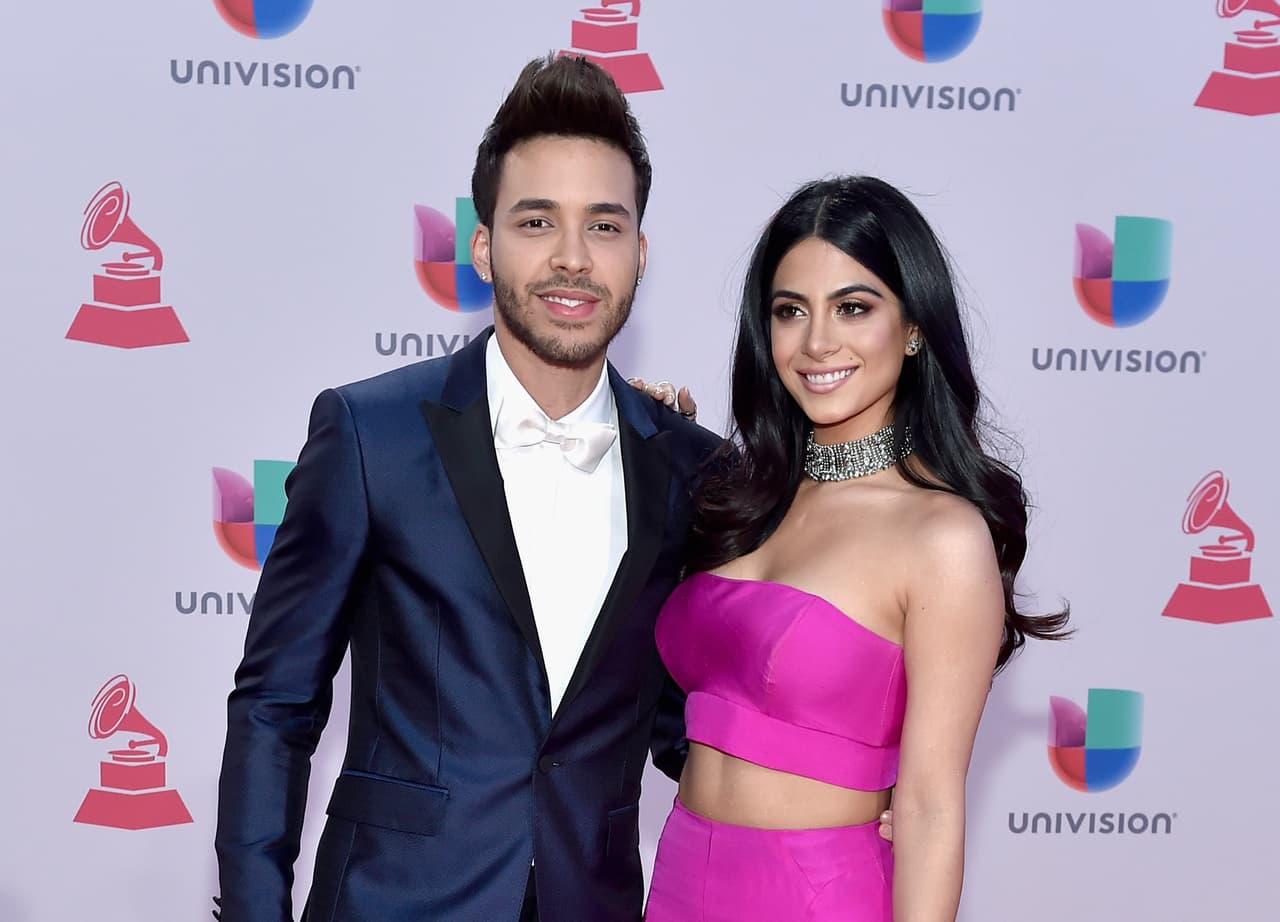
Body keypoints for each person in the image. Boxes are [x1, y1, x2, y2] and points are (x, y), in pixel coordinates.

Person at [212, 54, 723, 922]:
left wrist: (853, 792)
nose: (571, 258)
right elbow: (275, 706)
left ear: (639, 254)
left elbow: (685, 727)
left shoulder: (691, 469)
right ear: (483, 246)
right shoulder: (370, 436)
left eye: (603, 227)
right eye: (536, 222)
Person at [645, 176, 1070, 921]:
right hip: (681, 880)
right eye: (790, 311)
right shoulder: (737, 499)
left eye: (853, 307)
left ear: (912, 328)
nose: (817, 343)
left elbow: (933, 806)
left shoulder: (941, 536)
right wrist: (638, 447)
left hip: (817, 893)